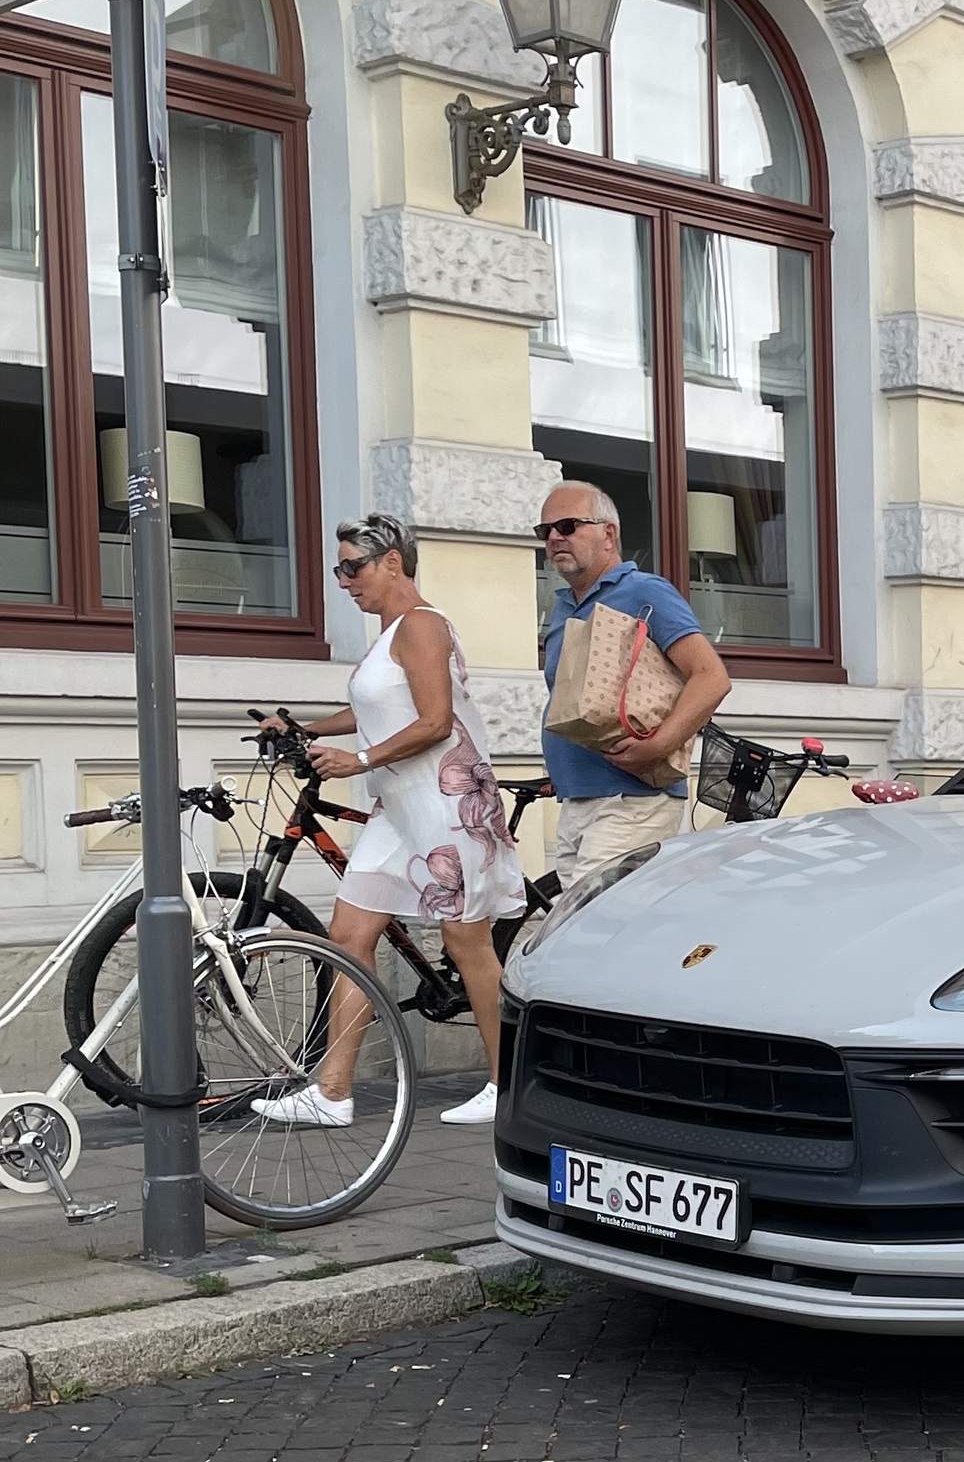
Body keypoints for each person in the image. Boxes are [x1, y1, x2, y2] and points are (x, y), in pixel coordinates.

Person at [254, 515, 525, 1132]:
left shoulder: (422, 625)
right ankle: (332, 1092)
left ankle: (506, 1084)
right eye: (338, 568)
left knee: (466, 943)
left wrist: (361, 759)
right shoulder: (389, 634)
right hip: (398, 809)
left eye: (353, 567)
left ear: (393, 562)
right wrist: (304, 728)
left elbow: (434, 721)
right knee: (348, 935)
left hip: (448, 803)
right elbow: (377, 706)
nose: (344, 580)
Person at [536, 483, 731, 888]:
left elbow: (711, 677)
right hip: (579, 798)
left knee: (592, 927)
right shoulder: (564, 605)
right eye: (546, 531)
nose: (555, 538)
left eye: (568, 525)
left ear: (608, 534)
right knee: (587, 928)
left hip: (633, 799)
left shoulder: (644, 591)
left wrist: (660, 744)